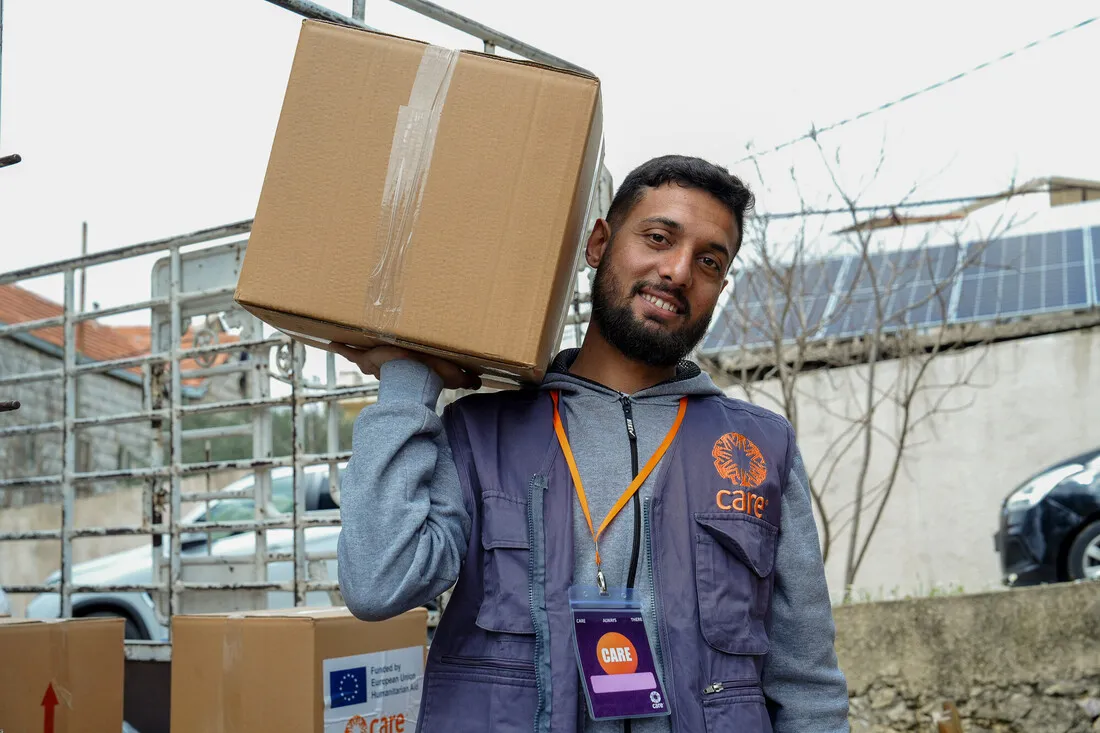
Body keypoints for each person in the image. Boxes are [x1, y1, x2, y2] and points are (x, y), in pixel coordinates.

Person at [333, 155, 849, 733]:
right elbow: (379, 585)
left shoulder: (760, 447)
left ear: (720, 287)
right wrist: (408, 379)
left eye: (709, 261)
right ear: (600, 242)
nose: (678, 271)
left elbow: (807, 684)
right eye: (658, 238)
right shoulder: (482, 432)